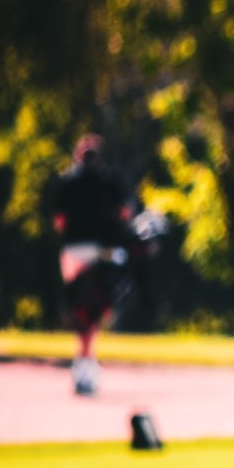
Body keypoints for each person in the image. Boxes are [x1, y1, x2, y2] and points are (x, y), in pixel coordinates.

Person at [48, 135, 133, 397]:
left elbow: (59, 220)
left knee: (80, 310)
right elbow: (125, 213)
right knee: (92, 311)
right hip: (103, 251)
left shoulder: (68, 181)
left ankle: (84, 363)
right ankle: (86, 364)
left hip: (75, 250)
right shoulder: (110, 181)